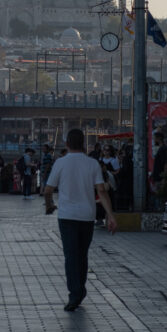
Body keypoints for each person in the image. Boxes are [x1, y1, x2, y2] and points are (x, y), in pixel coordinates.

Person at [44, 127, 117, 312]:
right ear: (84, 144)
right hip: (87, 216)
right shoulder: (92, 164)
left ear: (67, 144)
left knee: (71, 256)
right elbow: (101, 190)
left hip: (67, 216)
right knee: (82, 254)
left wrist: (49, 205)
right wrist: (110, 215)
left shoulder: (60, 163)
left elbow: (48, 190)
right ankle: (79, 290)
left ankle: (74, 294)